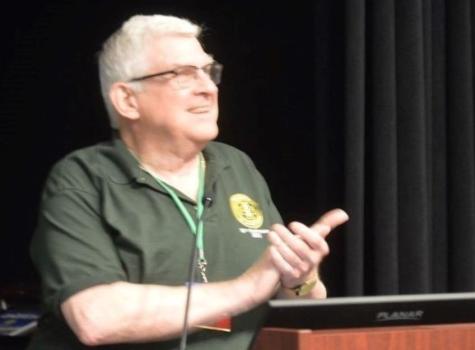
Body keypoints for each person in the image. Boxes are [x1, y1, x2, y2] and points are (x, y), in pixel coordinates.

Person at [28, 14, 348, 349]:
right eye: (181, 75)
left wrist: (301, 279)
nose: (208, 88)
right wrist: (248, 288)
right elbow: (95, 318)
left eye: (209, 72)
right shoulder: (82, 180)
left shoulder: (235, 166)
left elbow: (297, 306)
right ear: (127, 100)